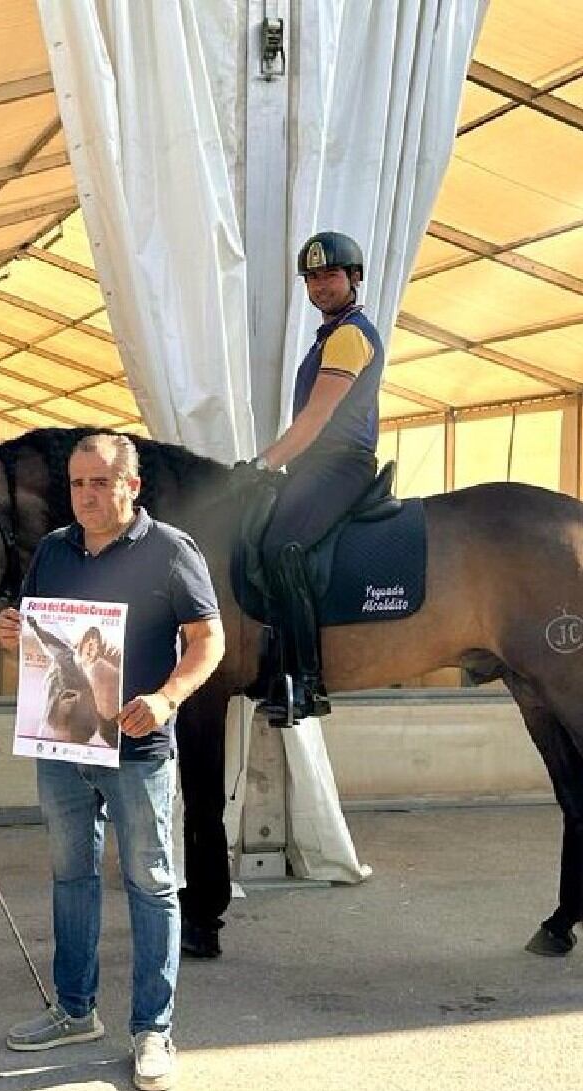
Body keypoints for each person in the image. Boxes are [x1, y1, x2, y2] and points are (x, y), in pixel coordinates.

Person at [0, 432, 225, 1091]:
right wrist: (14, 634)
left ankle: (153, 1030)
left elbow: (209, 640)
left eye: (100, 482)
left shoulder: (171, 550)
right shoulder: (53, 551)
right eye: (77, 484)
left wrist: (166, 697)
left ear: (132, 485)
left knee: (151, 882)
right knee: (71, 875)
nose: (87, 495)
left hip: (138, 748)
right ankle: (74, 1009)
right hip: (63, 744)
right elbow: (38, 636)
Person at [247, 230, 387, 725]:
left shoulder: (350, 336)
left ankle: (304, 681)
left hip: (341, 464)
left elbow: (317, 417)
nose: (319, 285)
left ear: (353, 278)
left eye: (329, 275)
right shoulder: (329, 336)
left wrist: (264, 463)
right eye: (311, 278)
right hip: (315, 467)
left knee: (283, 544)